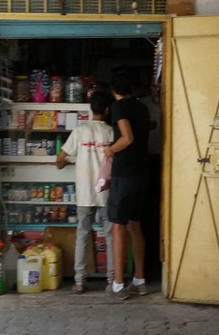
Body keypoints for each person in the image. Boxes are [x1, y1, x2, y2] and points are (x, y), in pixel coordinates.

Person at [56, 90, 114, 293]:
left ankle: (80, 281)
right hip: (106, 191)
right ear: (107, 110)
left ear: (91, 109)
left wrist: (63, 163)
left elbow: (60, 159)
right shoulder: (111, 132)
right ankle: (111, 280)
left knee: (82, 234)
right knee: (110, 235)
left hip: (84, 193)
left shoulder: (80, 131)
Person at [105, 77, 151, 297]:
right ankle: (140, 280)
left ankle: (118, 284)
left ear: (113, 90)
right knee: (134, 224)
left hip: (124, 173)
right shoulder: (142, 107)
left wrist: (110, 150)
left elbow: (127, 137)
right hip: (141, 171)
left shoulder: (118, 106)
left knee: (118, 226)